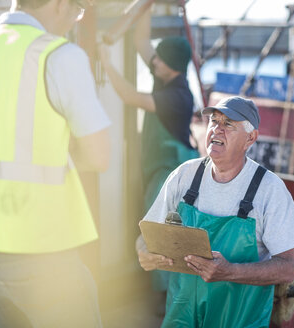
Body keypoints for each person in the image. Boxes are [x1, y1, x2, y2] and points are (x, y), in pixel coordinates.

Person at [0, 0, 111, 326]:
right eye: (79, 8)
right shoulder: (59, 55)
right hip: (38, 247)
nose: (77, 17)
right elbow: (99, 155)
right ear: (60, 3)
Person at [136, 96, 294, 327]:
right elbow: (146, 236)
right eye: (214, 121)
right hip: (181, 319)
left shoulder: (270, 190)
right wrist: (144, 251)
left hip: (238, 320)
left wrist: (231, 272)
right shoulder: (184, 175)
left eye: (228, 124)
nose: (217, 129)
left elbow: (287, 268)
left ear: (251, 138)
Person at [100, 3, 199, 297]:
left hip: (171, 168)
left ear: (173, 66)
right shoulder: (164, 74)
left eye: (160, 60)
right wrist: (145, 5)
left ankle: (164, 296)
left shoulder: (178, 96)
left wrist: (105, 61)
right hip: (157, 165)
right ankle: (160, 289)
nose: (153, 62)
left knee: (161, 229)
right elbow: (141, 41)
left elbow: (131, 97)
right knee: (154, 226)